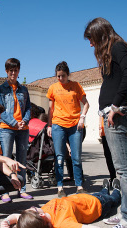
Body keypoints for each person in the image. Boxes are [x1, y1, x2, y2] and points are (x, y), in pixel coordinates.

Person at [84, 17, 127, 228]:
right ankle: (126, 212)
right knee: (121, 168)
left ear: (100, 34)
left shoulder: (117, 47)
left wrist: (115, 105)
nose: (90, 44)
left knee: (125, 169)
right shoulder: (111, 51)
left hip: (118, 114)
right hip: (112, 114)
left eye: (91, 39)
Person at [1, 179, 121, 228]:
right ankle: (117, 190)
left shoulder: (40, 215)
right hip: (99, 205)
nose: (33, 206)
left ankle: (105, 188)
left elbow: (17, 217)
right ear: (40, 216)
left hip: (86, 197)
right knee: (114, 199)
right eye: (33, 208)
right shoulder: (62, 223)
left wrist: (6, 221)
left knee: (102, 192)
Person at [47, 61, 89, 198]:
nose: (60, 79)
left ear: (68, 74)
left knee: (76, 157)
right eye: (58, 76)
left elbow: (86, 104)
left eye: (63, 76)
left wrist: (82, 117)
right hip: (58, 125)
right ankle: (60, 187)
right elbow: (50, 109)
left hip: (75, 126)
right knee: (59, 157)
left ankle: (79, 186)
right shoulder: (53, 88)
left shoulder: (76, 86)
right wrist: (49, 125)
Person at [0, 58, 32, 202]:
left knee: (22, 158)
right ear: (6, 71)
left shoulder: (24, 89)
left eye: (16, 70)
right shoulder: (0, 89)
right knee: (6, 158)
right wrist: (14, 123)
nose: (13, 73)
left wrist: (25, 121)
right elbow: (0, 110)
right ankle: (5, 191)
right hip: (7, 128)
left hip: (23, 128)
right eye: (11, 70)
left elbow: (28, 107)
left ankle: (22, 189)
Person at [99, 116, 116, 187]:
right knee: (108, 156)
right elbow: (100, 114)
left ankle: (124, 180)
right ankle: (113, 177)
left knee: (118, 155)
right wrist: (100, 127)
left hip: (115, 130)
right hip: (104, 132)